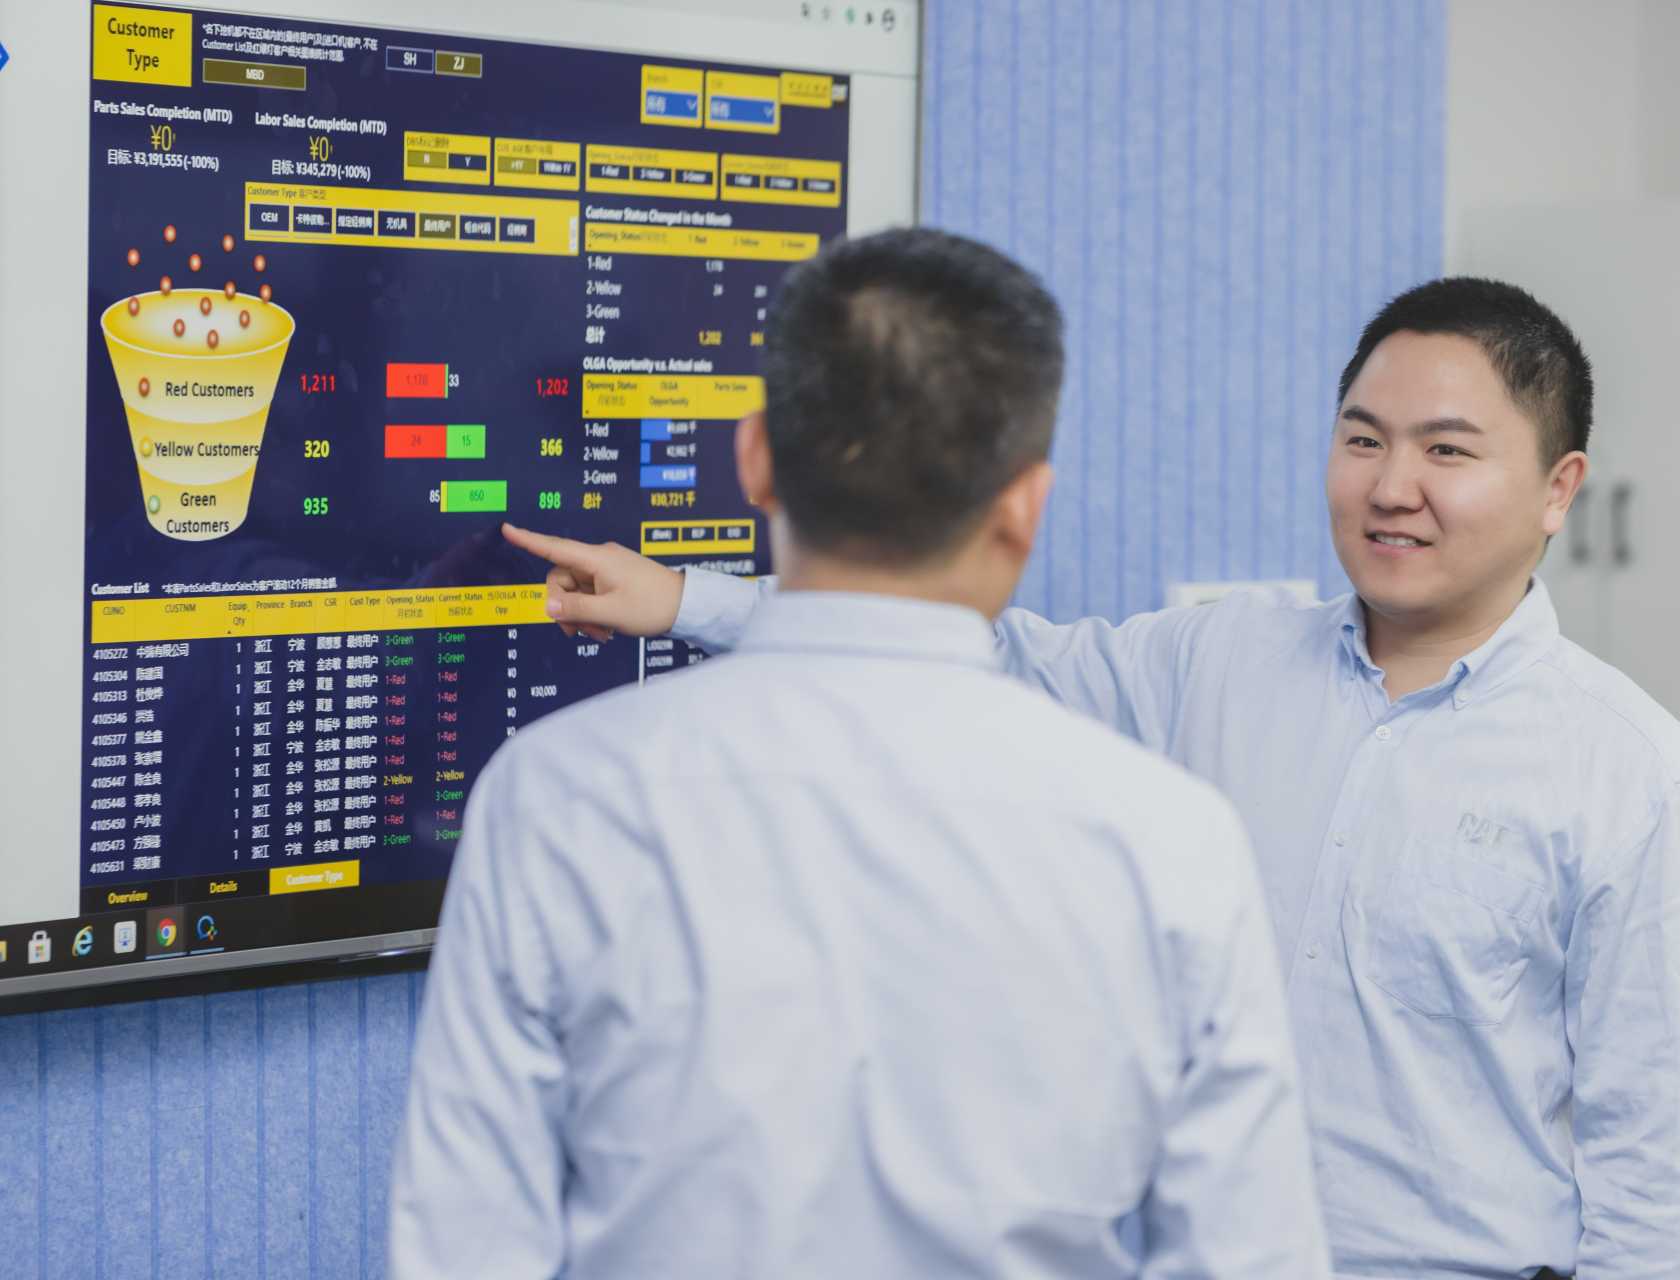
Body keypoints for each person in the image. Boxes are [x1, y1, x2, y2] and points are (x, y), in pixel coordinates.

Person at [511, 276, 1680, 1279]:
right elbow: (987, 659)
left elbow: (1663, 1173)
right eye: (1363, 438)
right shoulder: (1220, 659)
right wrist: (685, 599)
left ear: (1558, 489)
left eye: (1448, 449)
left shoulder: (1635, 779)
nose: (1390, 486)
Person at [391, 227, 1332, 1279]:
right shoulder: (1172, 842)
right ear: (1026, 505)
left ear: (755, 458)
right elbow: (1248, 1257)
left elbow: (465, 1240)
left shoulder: (557, 797)